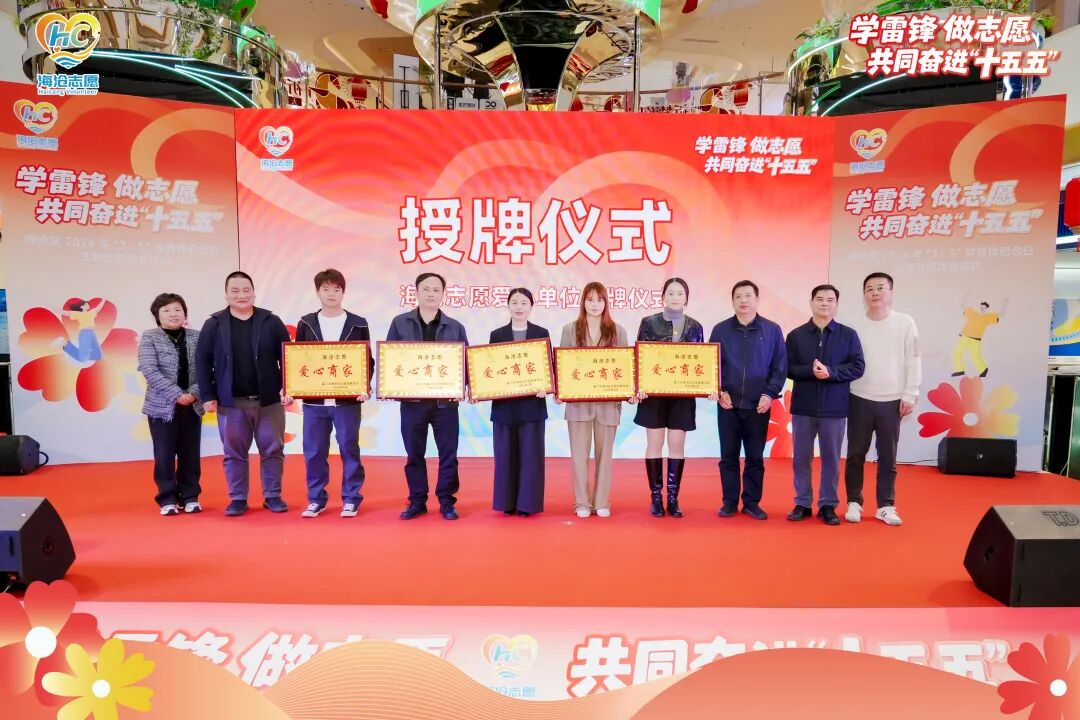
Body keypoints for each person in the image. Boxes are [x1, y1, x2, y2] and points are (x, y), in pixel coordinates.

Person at [195, 271, 291, 517]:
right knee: (234, 453)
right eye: (235, 291)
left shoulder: (271, 321)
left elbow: (288, 357)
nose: (241, 295)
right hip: (230, 402)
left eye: (246, 290)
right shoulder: (214, 324)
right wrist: (208, 395)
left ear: (254, 292)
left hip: (268, 401)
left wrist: (288, 388)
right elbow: (202, 361)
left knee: (272, 450)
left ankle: (273, 495)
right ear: (226, 294)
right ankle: (238, 498)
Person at [387, 272, 470, 520]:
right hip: (412, 403)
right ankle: (417, 501)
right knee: (414, 454)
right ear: (416, 292)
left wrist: (464, 387)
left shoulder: (455, 326)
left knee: (448, 455)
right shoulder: (400, 323)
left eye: (436, 290)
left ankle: (446, 501)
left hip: (445, 404)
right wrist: (389, 386)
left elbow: (466, 363)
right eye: (426, 289)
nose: (431, 294)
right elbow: (390, 358)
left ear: (443, 294)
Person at [294, 269, 374, 519]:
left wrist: (364, 386)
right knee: (314, 451)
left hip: (347, 402)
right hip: (314, 402)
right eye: (326, 289)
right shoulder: (306, 322)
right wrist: (292, 388)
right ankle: (316, 499)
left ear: (343, 292)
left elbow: (366, 360)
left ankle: (351, 498)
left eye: (336, 289)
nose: (331, 294)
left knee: (349, 449)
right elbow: (298, 359)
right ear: (317, 291)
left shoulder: (358, 323)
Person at [845, 272, 922, 527]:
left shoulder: (905, 322)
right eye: (869, 289)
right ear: (864, 294)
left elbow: (913, 360)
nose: (875, 293)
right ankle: (853, 502)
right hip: (859, 396)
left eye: (880, 288)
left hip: (892, 399)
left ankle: (886, 506)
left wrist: (910, 393)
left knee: (888, 455)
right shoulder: (854, 324)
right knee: (855, 453)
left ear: (891, 292)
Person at [784, 285, 864, 526]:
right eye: (819, 299)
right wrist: (811, 371)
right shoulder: (796, 335)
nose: (825, 304)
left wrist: (831, 372)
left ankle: (828, 505)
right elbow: (787, 368)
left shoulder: (848, 335)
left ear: (836, 304)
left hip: (834, 409)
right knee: (801, 458)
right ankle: (802, 503)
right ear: (811, 303)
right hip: (803, 407)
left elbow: (858, 367)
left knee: (831, 459)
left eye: (830, 300)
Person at [708, 280, 787, 521]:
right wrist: (719, 390)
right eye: (738, 296)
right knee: (728, 457)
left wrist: (769, 394)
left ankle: (752, 503)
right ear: (732, 301)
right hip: (728, 405)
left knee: (755, 458)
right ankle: (729, 502)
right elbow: (712, 365)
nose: (743, 300)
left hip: (758, 406)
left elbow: (780, 367)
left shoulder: (772, 330)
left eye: (748, 296)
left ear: (757, 299)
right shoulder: (720, 330)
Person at [558, 282, 633, 519]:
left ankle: (601, 501)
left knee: (605, 456)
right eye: (589, 299)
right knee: (579, 457)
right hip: (578, 404)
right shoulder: (570, 330)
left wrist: (629, 390)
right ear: (583, 302)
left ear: (605, 303)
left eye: (599, 300)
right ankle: (581, 502)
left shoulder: (618, 331)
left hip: (608, 405)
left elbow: (625, 367)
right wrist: (560, 390)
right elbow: (563, 366)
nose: (594, 304)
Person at [634, 278, 704, 518]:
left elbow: (700, 361)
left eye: (680, 293)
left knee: (676, 444)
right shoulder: (648, 322)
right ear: (663, 296)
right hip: (653, 395)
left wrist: (706, 385)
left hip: (681, 396)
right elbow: (640, 356)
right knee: (654, 444)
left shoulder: (695, 326)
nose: (675, 297)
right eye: (671, 293)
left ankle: (673, 498)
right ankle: (656, 497)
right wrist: (640, 386)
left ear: (687, 298)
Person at [137, 293, 203, 516]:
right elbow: (149, 370)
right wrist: (177, 394)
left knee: (190, 454)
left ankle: (191, 496)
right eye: (166, 310)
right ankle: (167, 498)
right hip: (161, 407)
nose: (173, 314)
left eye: (177, 309)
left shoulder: (197, 336)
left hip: (192, 405)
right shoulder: (150, 337)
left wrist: (193, 393)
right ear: (157, 316)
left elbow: (207, 368)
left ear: (185, 313)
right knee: (164, 455)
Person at [488, 288, 550, 517]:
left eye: (524, 302)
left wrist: (546, 385)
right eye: (514, 302)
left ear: (531, 306)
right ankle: (507, 502)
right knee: (505, 456)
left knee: (531, 457)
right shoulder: (497, 335)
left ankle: (527, 505)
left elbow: (548, 366)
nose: (519, 307)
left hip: (533, 405)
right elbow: (490, 368)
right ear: (508, 306)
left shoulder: (541, 333)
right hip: (504, 406)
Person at [951, 295, 1002, 378]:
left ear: (987, 310)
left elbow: (1000, 315)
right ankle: (959, 370)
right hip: (965, 337)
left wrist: (1005, 303)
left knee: (975, 355)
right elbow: (962, 306)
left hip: (976, 339)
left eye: (984, 309)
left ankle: (983, 369)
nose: (982, 310)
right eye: (981, 308)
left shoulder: (987, 318)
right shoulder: (973, 313)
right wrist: (968, 294)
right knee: (957, 353)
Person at [58, 299, 103, 363]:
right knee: (82, 359)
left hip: (91, 333)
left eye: (88, 304)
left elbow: (98, 308)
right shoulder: (78, 314)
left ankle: (82, 355)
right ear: (81, 307)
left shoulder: (91, 312)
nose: (88, 305)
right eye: (86, 304)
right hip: (85, 334)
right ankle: (65, 344)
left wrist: (104, 299)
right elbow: (64, 312)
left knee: (98, 355)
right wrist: (51, 307)